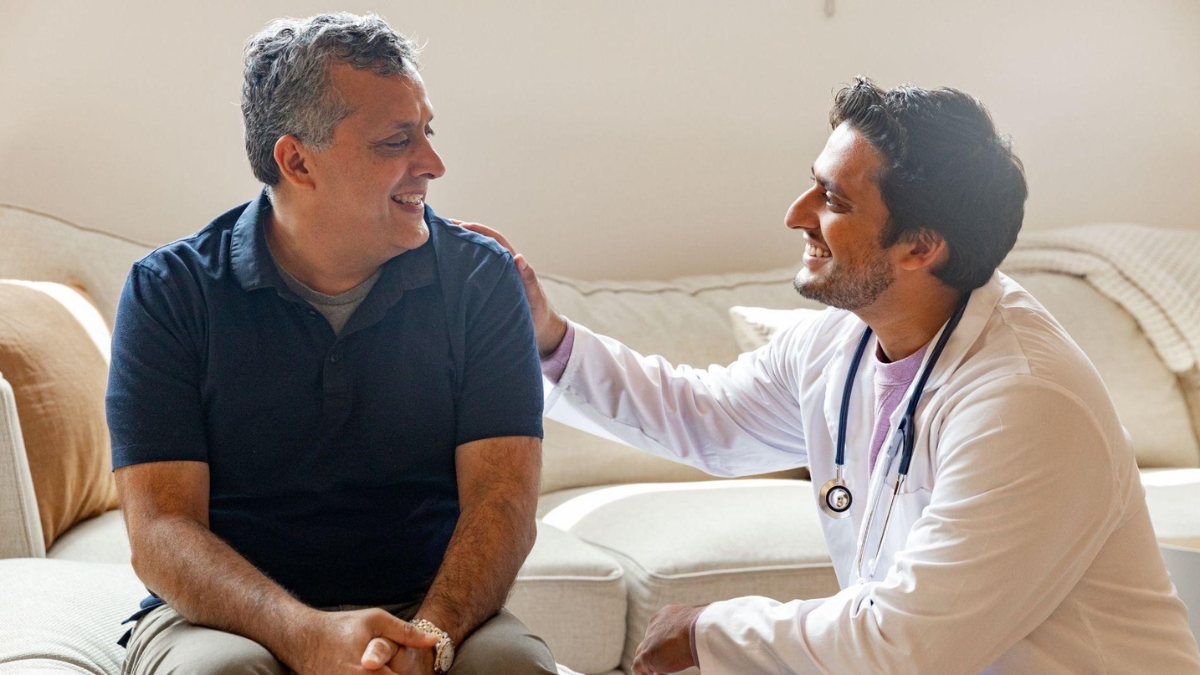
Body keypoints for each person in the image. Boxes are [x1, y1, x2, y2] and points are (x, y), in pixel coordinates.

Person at [463, 78, 1200, 673]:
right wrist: (546, 334)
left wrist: (707, 629)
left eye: (833, 200)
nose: (796, 215)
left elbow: (904, 644)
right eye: (813, 185)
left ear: (921, 247)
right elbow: (704, 415)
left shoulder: (1025, 399)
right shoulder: (842, 341)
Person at [106, 13, 557, 675]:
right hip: (231, 618)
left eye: (426, 132)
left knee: (512, 667)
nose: (433, 165)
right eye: (396, 141)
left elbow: (503, 502)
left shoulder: (481, 279)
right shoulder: (170, 291)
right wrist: (307, 635)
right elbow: (161, 530)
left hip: (428, 607)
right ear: (296, 161)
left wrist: (426, 640)